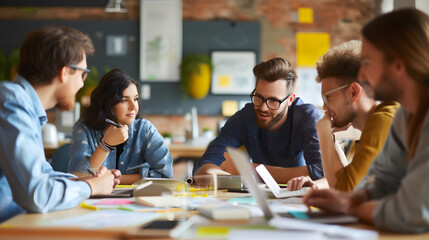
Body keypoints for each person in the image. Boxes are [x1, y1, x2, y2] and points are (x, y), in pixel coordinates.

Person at [303, 8, 429, 233]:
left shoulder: (395, 115)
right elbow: (382, 179)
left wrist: (351, 207)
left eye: (368, 63)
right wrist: (352, 201)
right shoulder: (405, 114)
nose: (361, 76)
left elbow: (412, 211)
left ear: (398, 65)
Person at [0, 26, 121, 223]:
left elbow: (41, 174)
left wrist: (89, 181)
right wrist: (91, 188)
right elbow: (37, 195)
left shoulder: (23, 107)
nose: (83, 84)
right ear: (65, 72)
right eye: (83, 74)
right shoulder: (11, 103)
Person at [287, 40, 399, 191]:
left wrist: (323, 133)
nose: (325, 108)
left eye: (328, 97)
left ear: (354, 92)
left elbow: (345, 189)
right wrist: (330, 139)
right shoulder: (379, 119)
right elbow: (347, 178)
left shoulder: (385, 119)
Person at [193, 57, 324, 183]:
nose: (263, 107)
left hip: (299, 197)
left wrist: (248, 170)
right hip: (256, 197)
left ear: (290, 99)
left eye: (273, 101)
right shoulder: (245, 117)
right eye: (258, 97)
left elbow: (321, 172)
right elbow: (206, 163)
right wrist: (212, 172)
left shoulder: (308, 117)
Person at [68, 69, 173, 184]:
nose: (133, 106)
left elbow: (165, 174)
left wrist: (114, 179)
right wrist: (105, 145)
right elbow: (76, 178)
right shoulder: (83, 129)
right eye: (124, 100)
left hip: (137, 200)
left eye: (136, 99)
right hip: (96, 200)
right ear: (107, 103)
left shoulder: (145, 130)